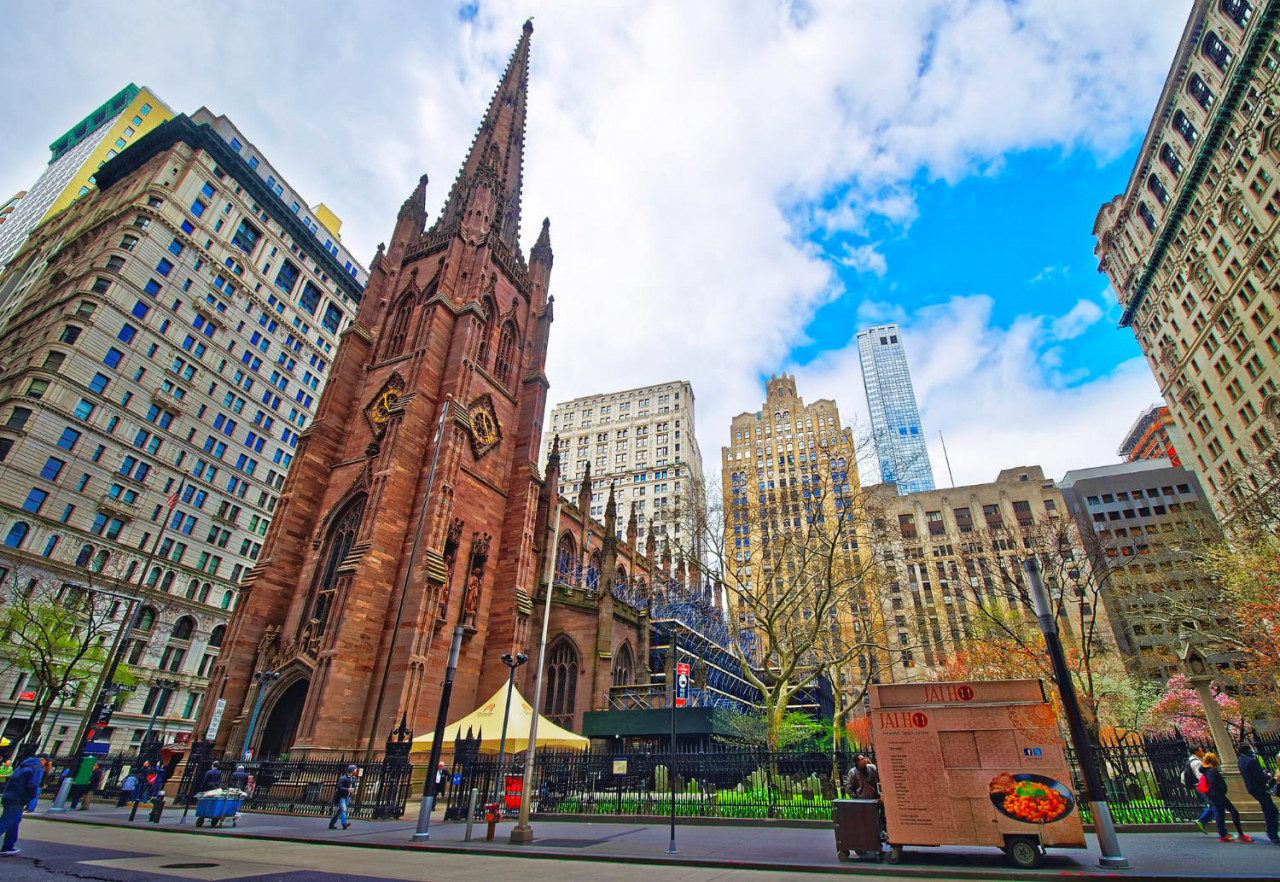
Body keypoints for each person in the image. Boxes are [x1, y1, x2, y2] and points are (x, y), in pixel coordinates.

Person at [1, 753, 51, 856]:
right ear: (43, 760)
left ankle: (9, 846)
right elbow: (33, 784)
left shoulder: (23, 765)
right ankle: (8, 846)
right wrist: (31, 797)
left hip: (9, 796)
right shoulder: (37, 768)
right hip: (19, 797)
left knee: (14, 821)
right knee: (6, 822)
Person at [1201, 752, 1251, 843]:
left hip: (1214, 795)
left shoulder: (1207, 770)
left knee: (1221, 814)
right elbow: (1212, 781)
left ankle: (1223, 835)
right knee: (1233, 812)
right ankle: (1240, 835)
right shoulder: (1211, 770)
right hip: (1217, 795)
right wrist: (1221, 787)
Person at [1238, 744, 1279, 845]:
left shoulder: (1241, 760)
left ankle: (1271, 832)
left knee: (1268, 809)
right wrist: (1268, 776)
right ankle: (1272, 834)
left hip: (1252, 789)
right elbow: (1260, 777)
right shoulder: (1251, 761)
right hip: (1260, 788)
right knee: (1272, 810)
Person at [1184, 748, 1214, 834]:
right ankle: (1203, 820)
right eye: (1201, 751)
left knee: (1213, 804)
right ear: (1196, 752)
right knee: (1213, 804)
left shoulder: (1190, 760)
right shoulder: (1196, 763)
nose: (1203, 752)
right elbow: (1200, 776)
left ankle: (1205, 820)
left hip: (1198, 786)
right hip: (1201, 786)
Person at [329, 765, 356, 830]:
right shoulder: (343, 778)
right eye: (355, 769)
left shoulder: (354, 778)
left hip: (348, 796)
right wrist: (347, 789)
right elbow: (339, 787)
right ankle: (344, 823)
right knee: (343, 810)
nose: (356, 771)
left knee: (340, 811)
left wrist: (352, 790)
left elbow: (353, 785)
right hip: (342, 797)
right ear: (352, 770)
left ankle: (331, 824)